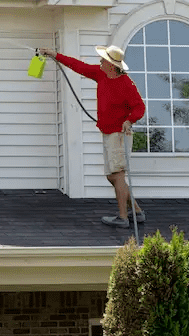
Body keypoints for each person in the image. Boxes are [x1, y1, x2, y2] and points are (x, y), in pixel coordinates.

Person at [39, 45, 146, 228]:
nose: (100, 61)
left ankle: (123, 218)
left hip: (119, 134)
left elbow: (139, 107)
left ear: (112, 65)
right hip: (108, 133)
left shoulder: (126, 84)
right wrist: (54, 54)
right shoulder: (101, 74)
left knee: (118, 175)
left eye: (103, 59)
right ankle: (136, 211)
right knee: (112, 177)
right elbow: (79, 66)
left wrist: (129, 121)